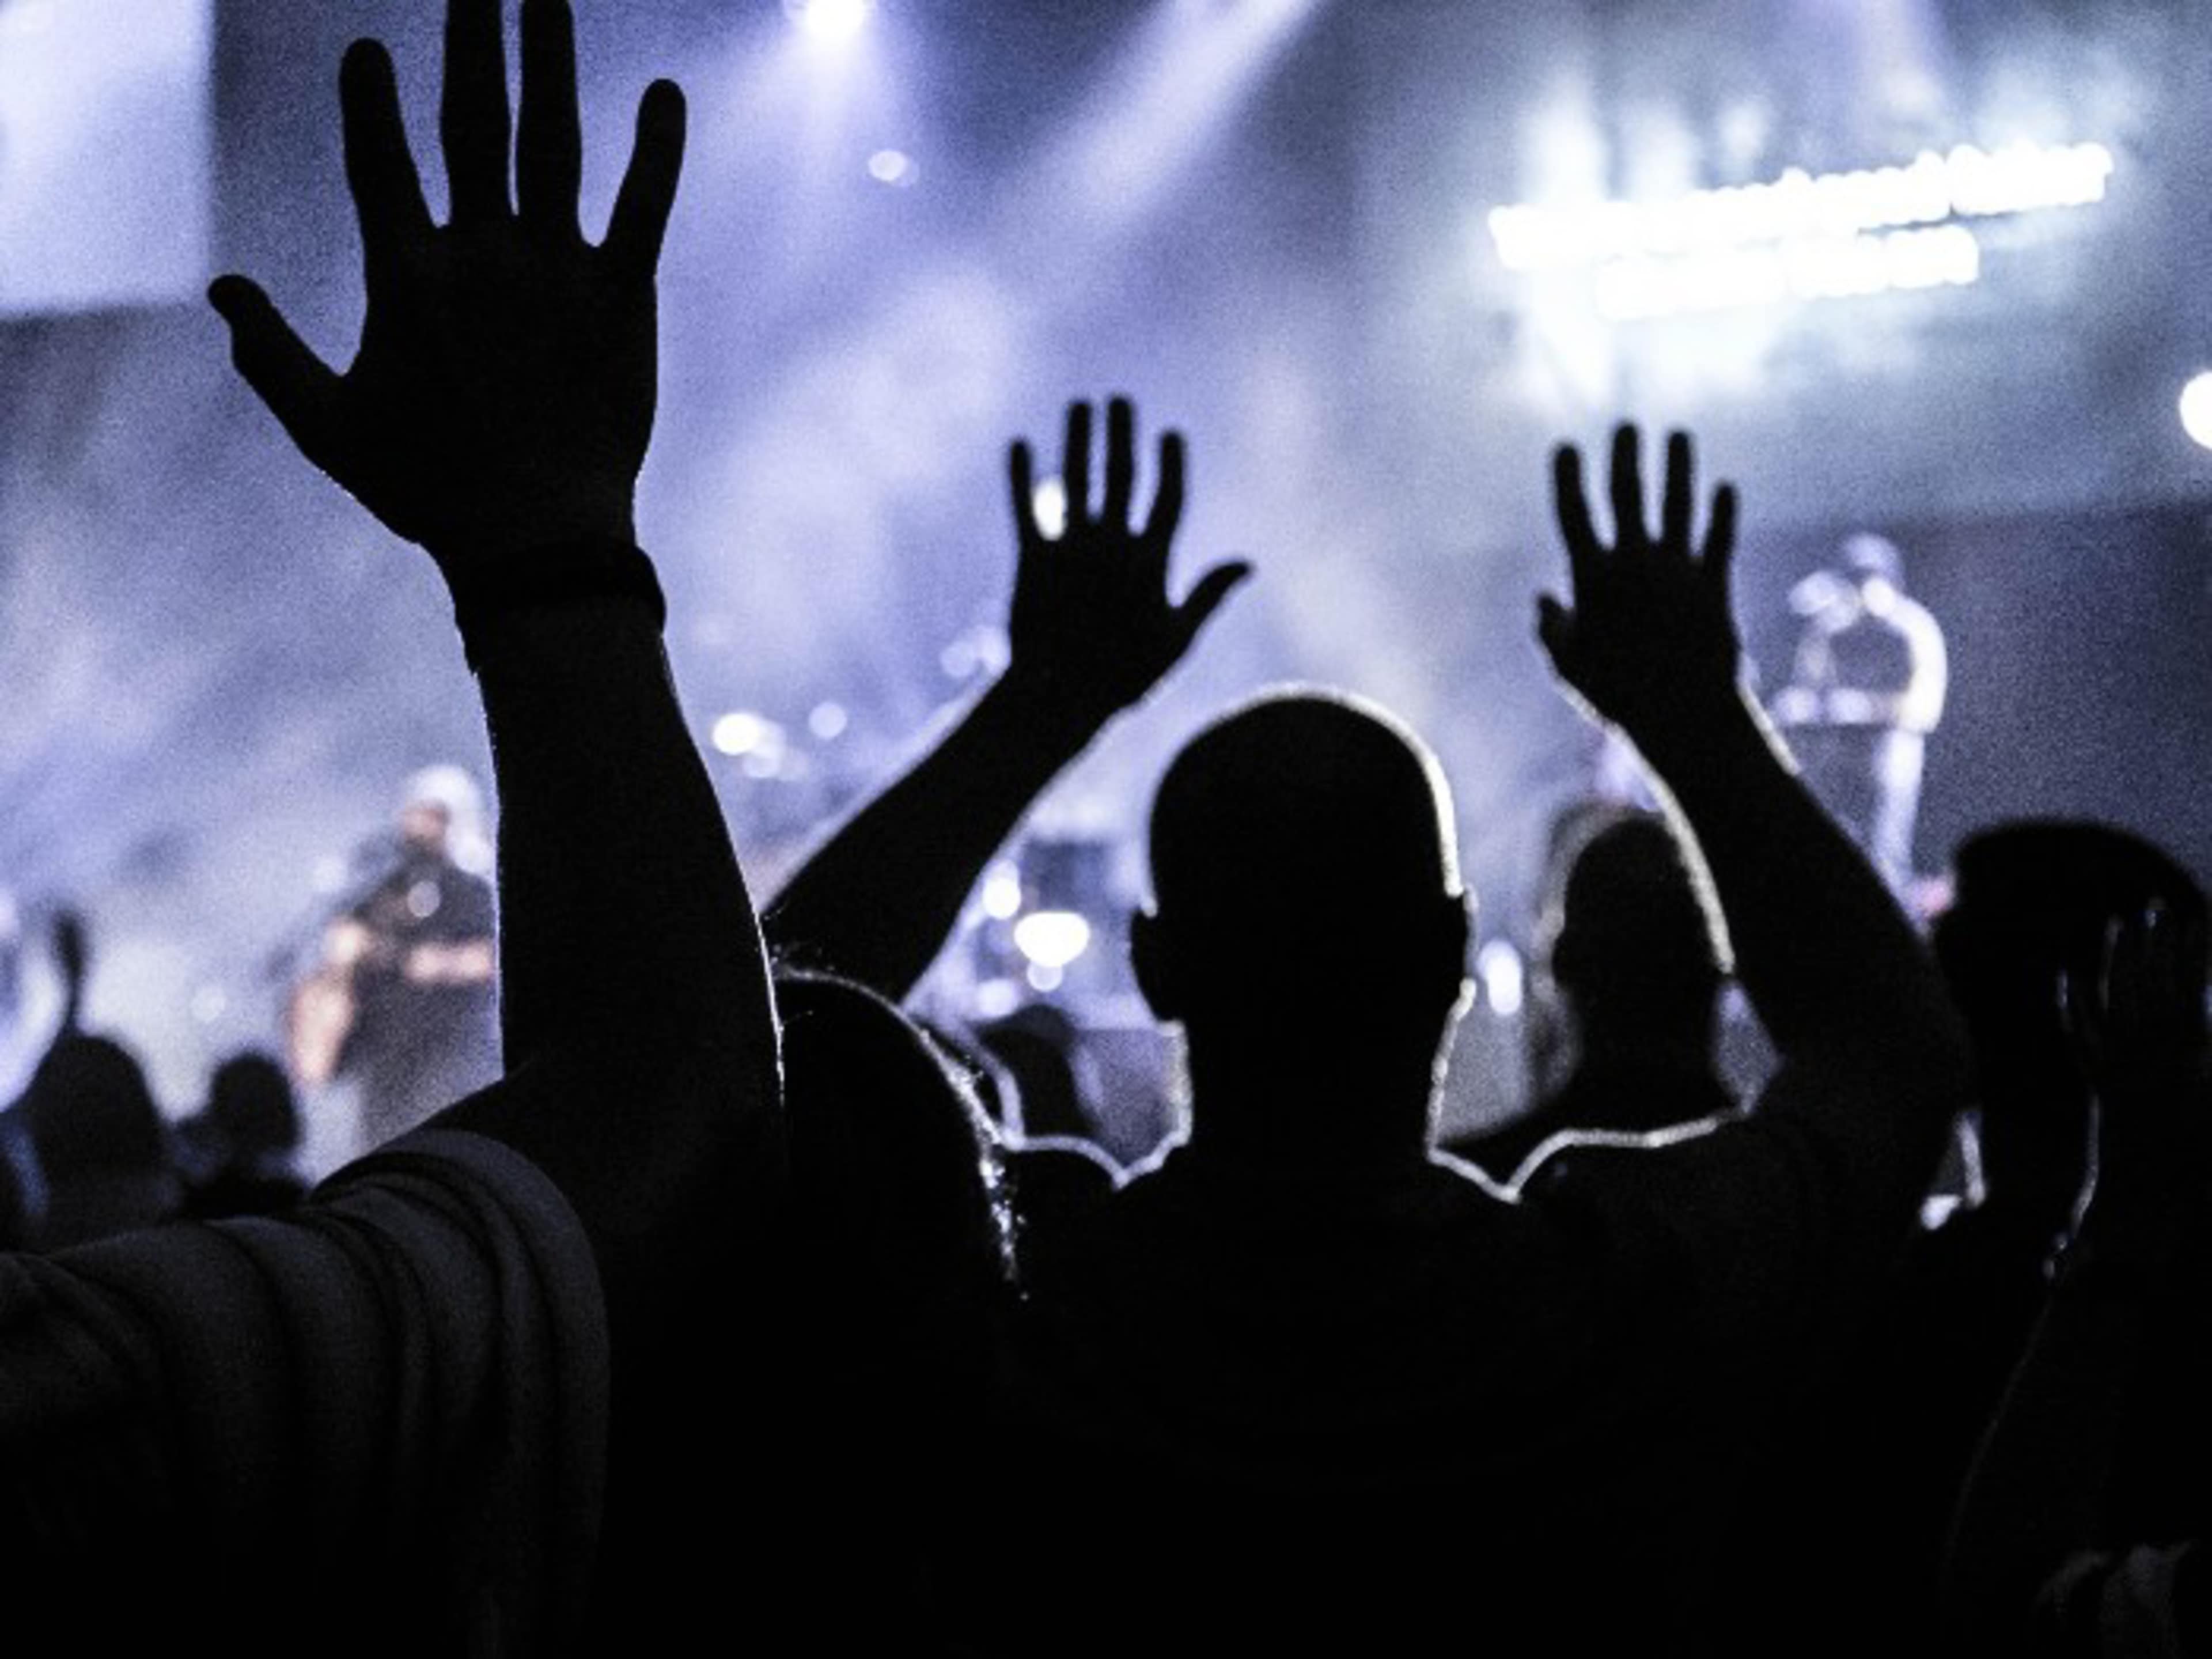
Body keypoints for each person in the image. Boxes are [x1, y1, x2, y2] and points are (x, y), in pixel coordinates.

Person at [8, 2, 781, 1650]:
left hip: (462, 1101)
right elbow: (667, 1140)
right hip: (431, 1125)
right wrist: (543, 557)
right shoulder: (85, 1403)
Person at [995, 428, 1969, 1654]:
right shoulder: (1608, 1302)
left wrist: (1035, 712)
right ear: (1459, 960)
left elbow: (755, 1079)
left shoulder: (1024, 1291)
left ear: (1155, 964)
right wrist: (1692, 714)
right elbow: (1897, 1057)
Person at [290, 765, 498, 1150]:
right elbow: (317, 1055)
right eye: (414, 814)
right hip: (386, 1095)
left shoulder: (473, 889)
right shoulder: (377, 894)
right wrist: (338, 969)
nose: (419, 827)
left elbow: (485, 961)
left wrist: (392, 954)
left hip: (458, 1079)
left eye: (433, 815)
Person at [1771, 531, 1948, 896]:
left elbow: (1923, 709)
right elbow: (1810, 688)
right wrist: (1800, 706)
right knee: (1826, 848)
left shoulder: (1914, 629)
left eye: (1868, 581)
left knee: (1885, 855)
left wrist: (1855, 706)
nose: (1862, 592)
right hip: (1836, 758)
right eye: (1853, 582)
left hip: (1888, 755)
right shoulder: (1830, 630)